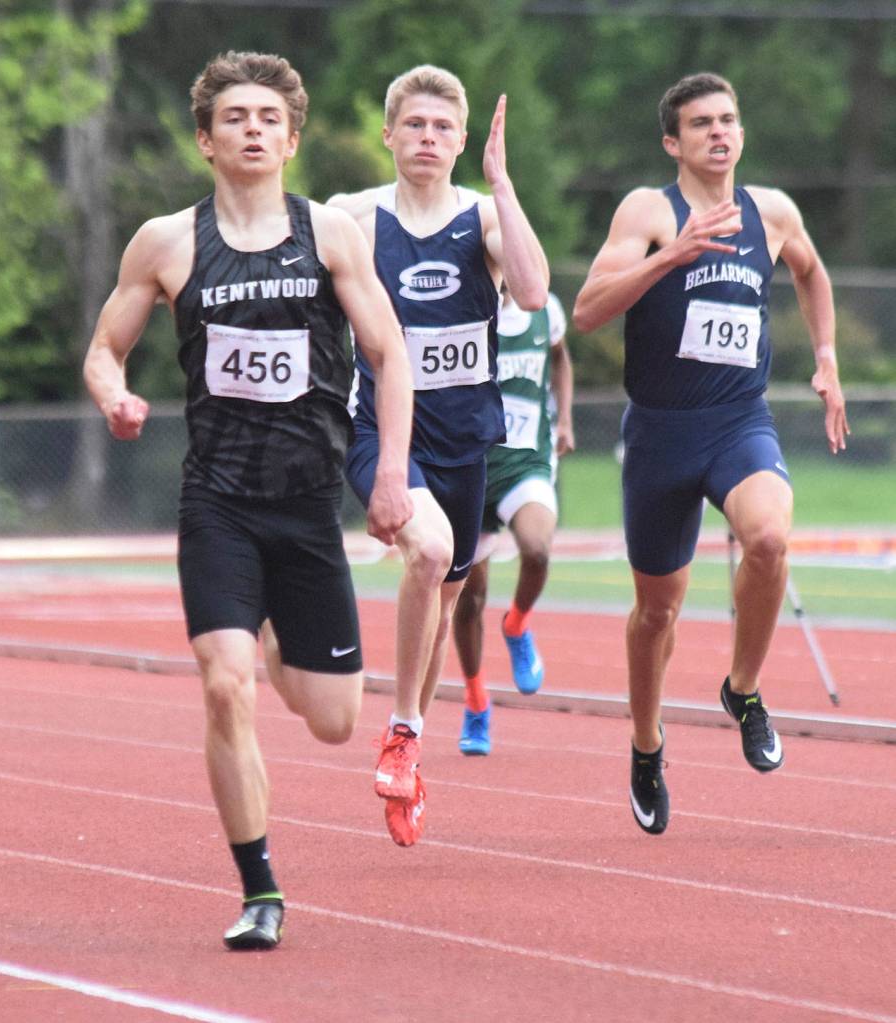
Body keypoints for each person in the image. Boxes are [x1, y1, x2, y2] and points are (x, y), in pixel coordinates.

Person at [83, 51, 413, 950]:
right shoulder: (167, 241)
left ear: (293, 139)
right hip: (218, 500)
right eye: (235, 116)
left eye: (270, 116)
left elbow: (391, 355)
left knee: (336, 719)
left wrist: (391, 475)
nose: (254, 128)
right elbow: (105, 346)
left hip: (307, 507)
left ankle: (275, 634)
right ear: (206, 138)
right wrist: (113, 394)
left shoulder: (332, 235)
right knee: (225, 687)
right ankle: (260, 887)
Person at [572, 72, 848, 836]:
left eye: (728, 120)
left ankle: (744, 688)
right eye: (701, 124)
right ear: (674, 142)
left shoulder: (774, 212)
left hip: (737, 420)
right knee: (657, 611)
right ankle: (646, 743)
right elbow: (588, 311)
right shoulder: (649, 211)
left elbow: (812, 273)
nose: (719, 133)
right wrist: (670, 256)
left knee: (767, 535)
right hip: (660, 433)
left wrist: (826, 357)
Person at [328, 65, 548, 846]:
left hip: (465, 444)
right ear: (388, 134)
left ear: (460, 140)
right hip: (382, 436)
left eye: (442, 128)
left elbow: (530, 289)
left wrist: (503, 184)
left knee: (443, 602)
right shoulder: (352, 217)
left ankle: (408, 743)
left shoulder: (485, 216)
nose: (427, 139)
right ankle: (402, 732)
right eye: (413, 125)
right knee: (429, 552)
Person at [451, 289, 575, 755]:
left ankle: (518, 625)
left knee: (538, 549)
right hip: (471, 466)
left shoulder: (545, 307)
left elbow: (561, 359)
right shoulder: (461, 307)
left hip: (526, 462)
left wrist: (564, 419)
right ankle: (476, 700)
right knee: (468, 598)